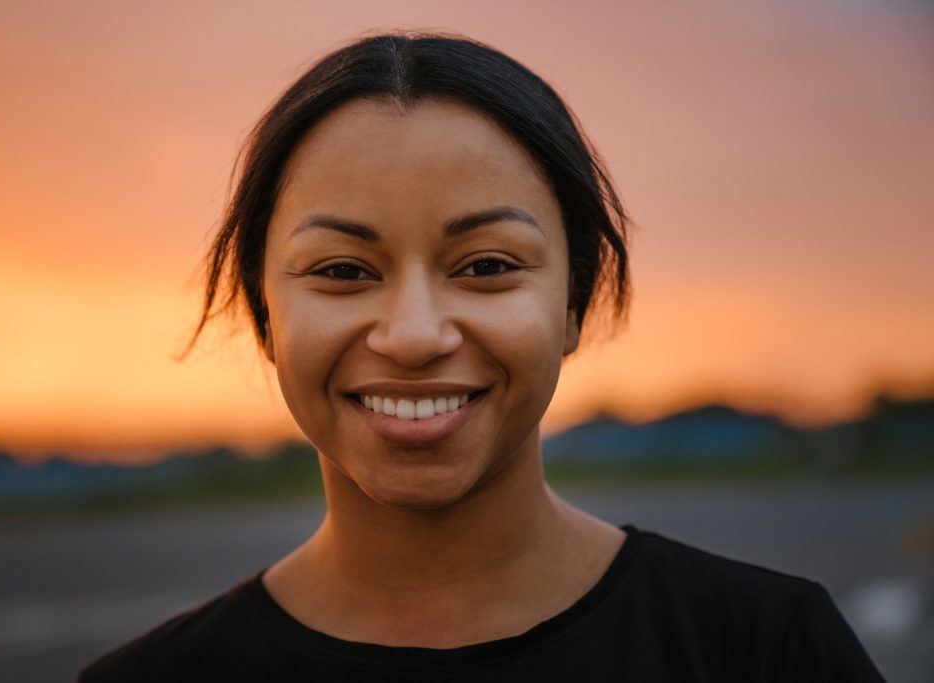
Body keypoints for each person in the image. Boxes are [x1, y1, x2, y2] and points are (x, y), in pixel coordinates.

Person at [77, 32, 885, 682]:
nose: (415, 334)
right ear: (265, 315)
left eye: (488, 266)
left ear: (572, 303)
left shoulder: (766, 649)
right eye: (343, 271)